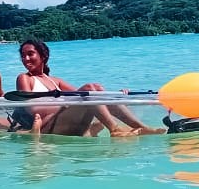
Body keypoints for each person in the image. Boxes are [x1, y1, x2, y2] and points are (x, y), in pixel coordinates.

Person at [12, 38, 165, 137]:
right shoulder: (24, 78)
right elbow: (32, 109)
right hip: (48, 127)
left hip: (66, 121)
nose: (26, 59)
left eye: (30, 54)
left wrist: (117, 95)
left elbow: (89, 93)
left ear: (43, 56)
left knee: (95, 87)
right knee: (89, 89)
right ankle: (114, 130)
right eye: (23, 55)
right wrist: (63, 104)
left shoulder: (54, 81)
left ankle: (142, 128)